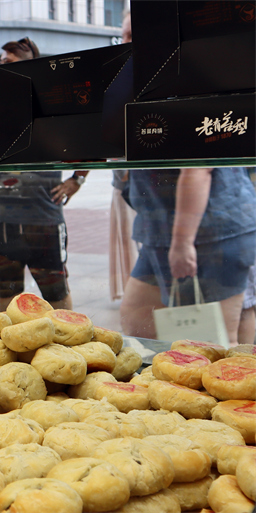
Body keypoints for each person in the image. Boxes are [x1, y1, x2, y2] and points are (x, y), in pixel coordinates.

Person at [0, 37, 88, 312]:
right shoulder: (1, 105)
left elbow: (91, 142)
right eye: (1, 63)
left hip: (43, 217)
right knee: (8, 292)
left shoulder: (53, 101)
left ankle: (66, 345)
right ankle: (9, 347)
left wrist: (77, 179)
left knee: (56, 293)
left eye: (10, 63)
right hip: (5, 217)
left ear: (32, 66)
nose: (2, 68)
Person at [119, 168, 256, 346]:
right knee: (137, 320)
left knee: (216, 340)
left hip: (209, 230)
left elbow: (198, 168)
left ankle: (232, 370)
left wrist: (183, 242)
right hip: (161, 229)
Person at [109, 10, 138, 300]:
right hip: (134, 193)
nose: (125, 42)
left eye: (133, 35)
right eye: (124, 35)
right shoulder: (121, 81)